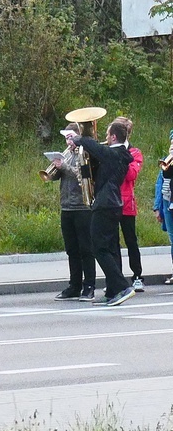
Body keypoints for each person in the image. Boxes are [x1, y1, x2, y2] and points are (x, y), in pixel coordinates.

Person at [68, 121, 135, 306]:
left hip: (106, 205)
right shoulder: (118, 155)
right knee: (111, 248)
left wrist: (79, 139)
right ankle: (112, 291)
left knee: (99, 248)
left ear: (113, 137)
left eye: (107, 135)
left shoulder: (117, 154)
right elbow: (94, 168)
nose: (105, 138)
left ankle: (122, 287)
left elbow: (99, 150)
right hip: (111, 204)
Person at [48, 123, 97, 302]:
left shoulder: (86, 153)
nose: (68, 141)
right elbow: (57, 176)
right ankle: (74, 285)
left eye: (70, 137)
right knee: (72, 249)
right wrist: (54, 169)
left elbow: (83, 176)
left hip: (82, 207)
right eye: (66, 138)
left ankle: (89, 286)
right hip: (66, 207)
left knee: (86, 248)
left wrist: (65, 167)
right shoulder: (66, 153)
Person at [114, 116, 144, 291]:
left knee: (130, 240)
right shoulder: (109, 150)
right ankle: (116, 278)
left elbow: (131, 174)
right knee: (112, 242)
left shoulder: (134, 152)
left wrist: (118, 156)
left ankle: (137, 275)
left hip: (126, 202)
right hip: (111, 201)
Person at [154, 130, 173, 284]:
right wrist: (157, 207)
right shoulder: (168, 162)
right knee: (172, 239)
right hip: (168, 202)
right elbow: (159, 185)